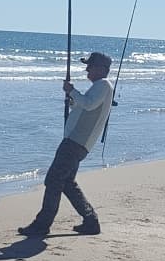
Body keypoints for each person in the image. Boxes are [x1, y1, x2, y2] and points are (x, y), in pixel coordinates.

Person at [18, 51, 114, 238]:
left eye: (90, 66)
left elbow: (88, 104)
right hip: (77, 141)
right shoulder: (100, 86)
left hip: (75, 141)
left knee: (53, 180)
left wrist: (72, 91)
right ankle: (90, 220)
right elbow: (84, 107)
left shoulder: (103, 85)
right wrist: (72, 99)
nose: (87, 69)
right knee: (67, 182)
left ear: (101, 69)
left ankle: (42, 225)